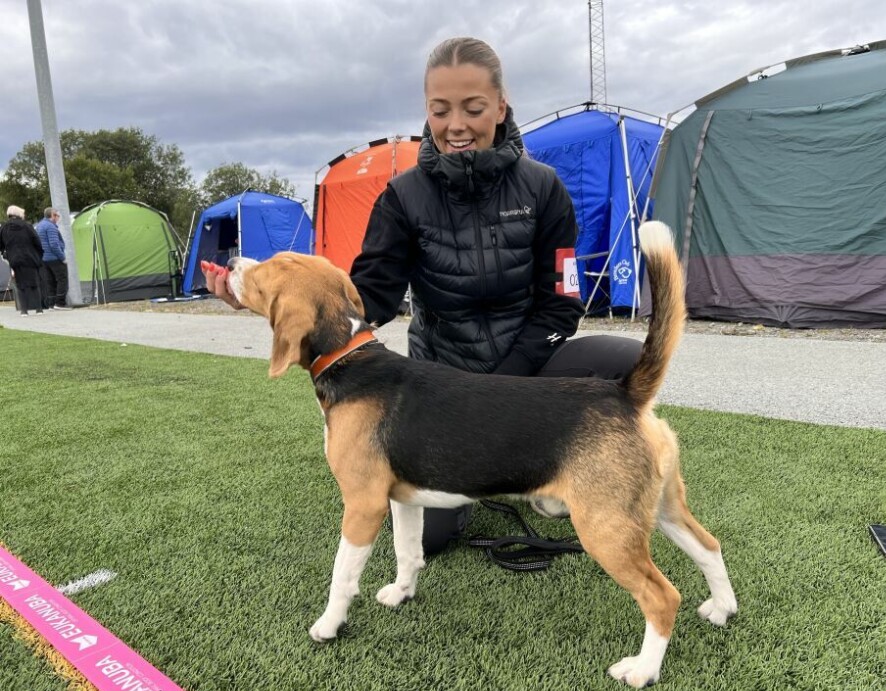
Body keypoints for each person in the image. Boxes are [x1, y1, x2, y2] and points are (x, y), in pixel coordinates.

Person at [204, 37, 644, 554]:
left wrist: (509, 380)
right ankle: (505, 472)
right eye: (440, 110)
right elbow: (370, 297)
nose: (456, 125)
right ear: (427, 112)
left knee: (630, 365)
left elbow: (563, 301)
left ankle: (567, 474)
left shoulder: (544, 188)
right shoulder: (402, 196)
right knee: (428, 539)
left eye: (474, 108)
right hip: (445, 385)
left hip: (529, 365)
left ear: (501, 107)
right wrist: (262, 298)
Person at [0, 205, 45, 315]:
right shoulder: (27, 226)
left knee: (20, 284)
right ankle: (39, 308)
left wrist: (6, 255)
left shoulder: (4, 228)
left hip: (14, 259)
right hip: (30, 257)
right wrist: (39, 255)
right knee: (35, 283)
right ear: (19, 214)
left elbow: (1, 245)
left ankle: (24, 310)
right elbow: (37, 242)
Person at [36, 207, 70, 309]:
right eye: (57, 216)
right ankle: (60, 303)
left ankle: (51, 304)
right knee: (62, 279)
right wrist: (63, 257)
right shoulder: (51, 227)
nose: (58, 218)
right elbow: (54, 245)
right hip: (54, 257)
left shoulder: (40, 225)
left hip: (44, 258)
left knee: (50, 281)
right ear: (53, 216)